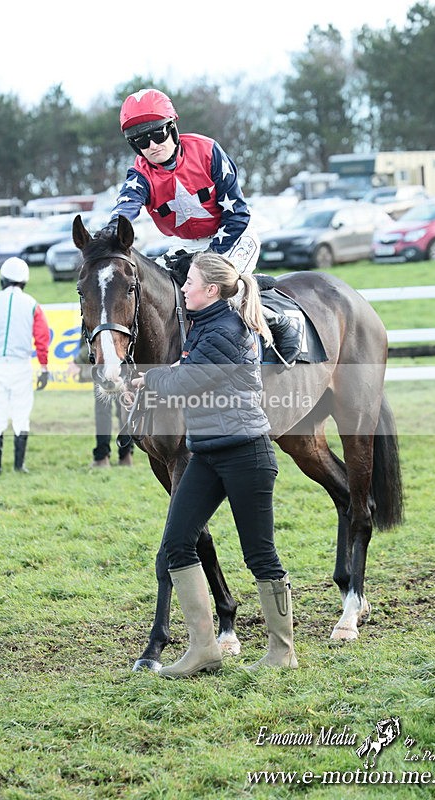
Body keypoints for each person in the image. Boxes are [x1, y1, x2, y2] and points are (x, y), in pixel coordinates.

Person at [131, 251, 298, 678]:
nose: (182, 287)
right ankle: (203, 649)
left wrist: (147, 379)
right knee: (176, 544)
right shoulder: (204, 325)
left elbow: (187, 380)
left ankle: (282, 650)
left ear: (211, 291)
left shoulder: (225, 329)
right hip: (206, 452)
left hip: (246, 455)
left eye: (189, 282)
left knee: (259, 555)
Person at [102, 87, 301, 363]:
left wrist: (208, 259)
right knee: (161, 291)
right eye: (140, 141)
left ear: (172, 127)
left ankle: (276, 322)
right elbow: (127, 205)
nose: (151, 146)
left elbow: (238, 214)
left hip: (233, 235)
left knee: (214, 290)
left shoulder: (208, 151)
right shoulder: (140, 173)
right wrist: (112, 231)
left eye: (157, 134)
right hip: (186, 245)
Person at [0, 257, 50, 474]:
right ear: (24, 280)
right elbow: (42, 339)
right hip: (21, 366)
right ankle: (19, 465)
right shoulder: (32, 304)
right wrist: (44, 368)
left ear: (3, 279)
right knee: (21, 413)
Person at [68, 336, 134, 468]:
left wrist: (78, 361)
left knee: (103, 411)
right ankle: (126, 455)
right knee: (124, 408)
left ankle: (102, 457)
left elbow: (94, 340)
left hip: (104, 365)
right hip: (124, 363)